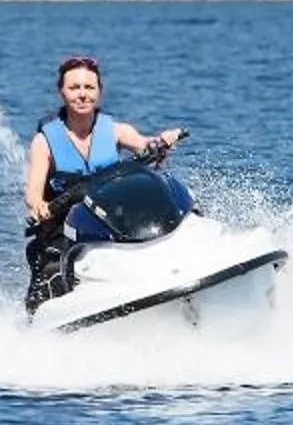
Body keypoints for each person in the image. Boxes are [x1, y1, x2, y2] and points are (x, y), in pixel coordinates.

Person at [22, 55, 184, 311]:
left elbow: (147, 146)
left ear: (99, 92)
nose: (83, 94)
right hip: (67, 230)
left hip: (111, 222)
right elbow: (32, 195)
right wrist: (38, 206)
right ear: (61, 92)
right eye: (74, 87)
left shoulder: (117, 131)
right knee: (51, 274)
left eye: (89, 87)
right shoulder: (44, 142)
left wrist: (162, 142)